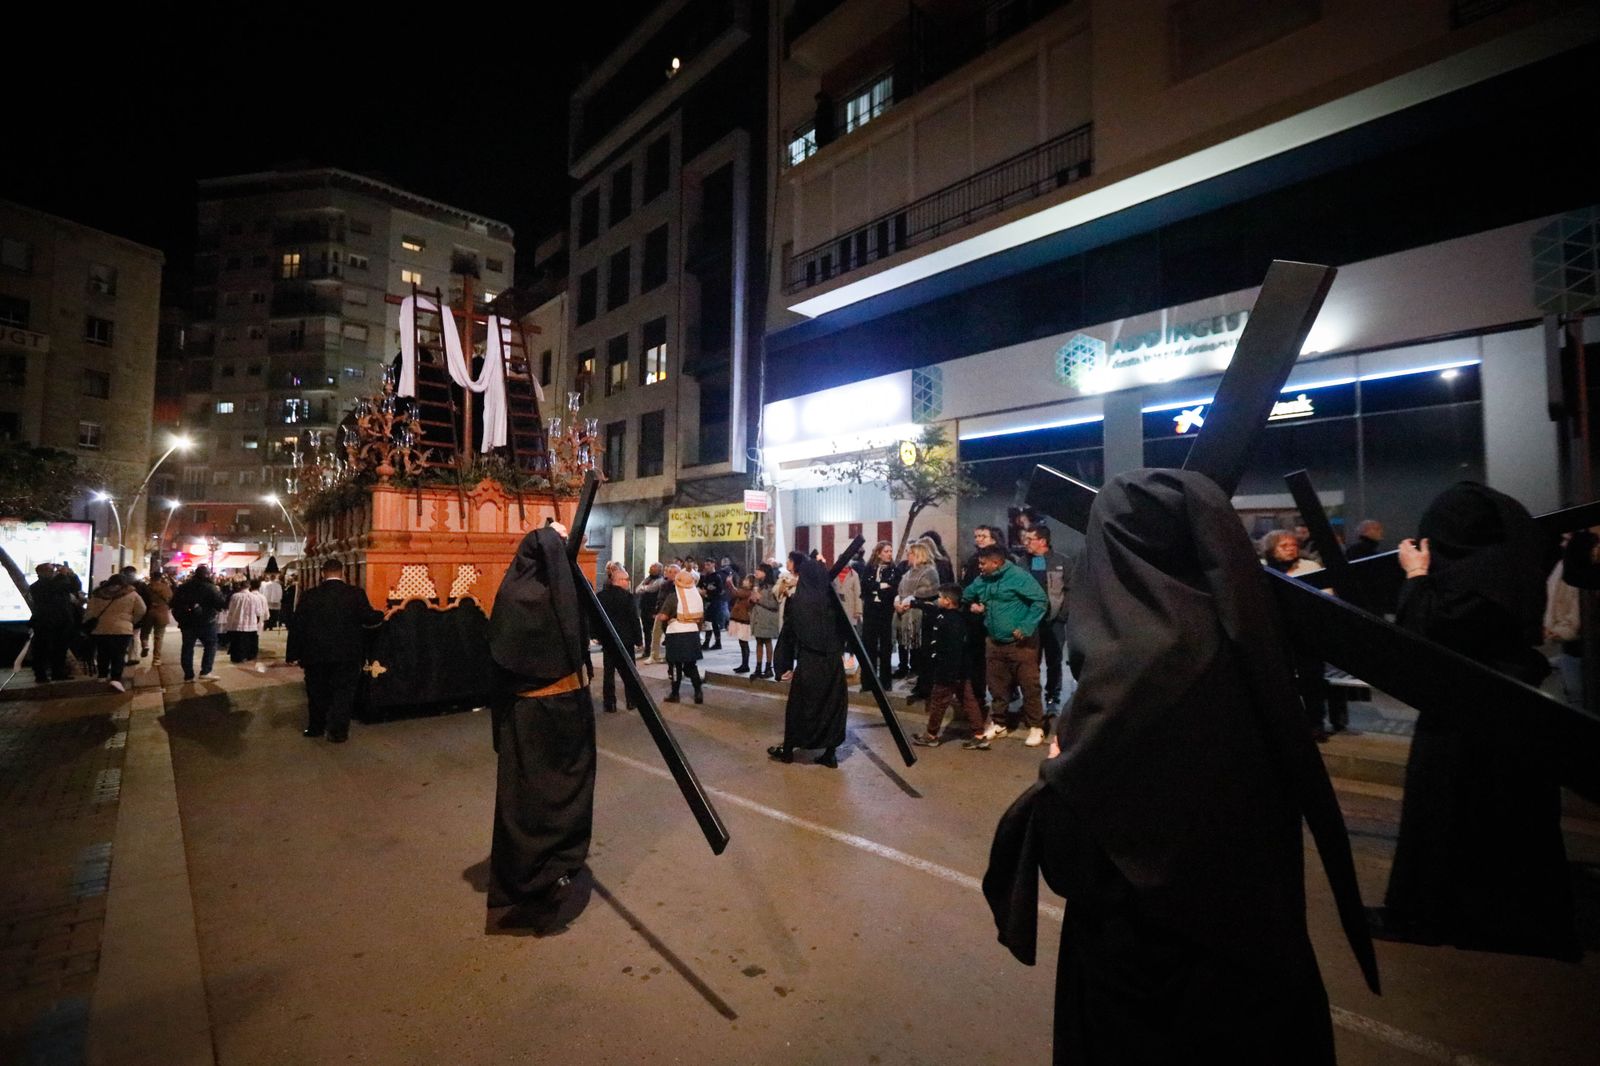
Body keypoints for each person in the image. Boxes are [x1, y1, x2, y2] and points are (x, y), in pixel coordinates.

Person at [983, 469, 1379, 1064]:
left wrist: (1060, 779)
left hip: (1147, 986)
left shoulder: (1129, 673)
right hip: (1256, 967)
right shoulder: (1247, 647)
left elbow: (1080, 862)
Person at [1369, 482, 1579, 961]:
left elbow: (1423, 635)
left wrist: (1416, 575)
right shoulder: (1506, 569)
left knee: (1446, 814)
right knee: (1506, 821)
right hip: (1505, 706)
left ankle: (1431, 913)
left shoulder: (1476, 578)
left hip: (1464, 713)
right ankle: (1498, 919)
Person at [485, 523, 596, 933]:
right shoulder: (565, 593)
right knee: (553, 795)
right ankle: (548, 871)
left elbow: (500, 661)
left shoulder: (513, 594)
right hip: (560, 710)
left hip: (531, 716)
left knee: (536, 797)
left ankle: (545, 872)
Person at [285, 559, 381, 742]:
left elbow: (297, 626)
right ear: (342, 573)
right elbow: (369, 618)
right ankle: (338, 732)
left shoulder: (310, 595)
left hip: (315, 654)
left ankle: (316, 727)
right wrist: (382, 614)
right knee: (343, 693)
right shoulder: (355, 594)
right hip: (347, 654)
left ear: (323, 573)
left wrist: (293, 654)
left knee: (316, 692)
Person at [963, 543, 1047, 746]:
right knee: (997, 685)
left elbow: (1040, 601)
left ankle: (1036, 726)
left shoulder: (1019, 577)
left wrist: (1026, 626)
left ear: (996, 563)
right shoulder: (983, 579)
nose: (980, 567)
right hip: (994, 642)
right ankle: (999, 723)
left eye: (983, 563)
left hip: (1021, 644)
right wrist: (973, 604)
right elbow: (967, 594)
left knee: (1029, 685)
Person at [767, 556, 848, 767]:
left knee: (800, 708)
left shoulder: (799, 603)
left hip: (810, 664)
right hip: (832, 664)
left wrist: (782, 667)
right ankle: (830, 753)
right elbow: (846, 631)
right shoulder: (834, 603)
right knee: (832, 708)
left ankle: (788, 750)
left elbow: (788, 636)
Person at [911, 585, 991, 750]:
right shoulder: (954, 616)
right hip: (959, 670)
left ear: (947, 601)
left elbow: (953, 649)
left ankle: (931, 735)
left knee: (938, 702)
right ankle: (979, 735)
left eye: (940, 597)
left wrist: (947, 671)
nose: (938, 600)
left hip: (949, 670)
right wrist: (914, 604)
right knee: (968, 701)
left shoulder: (951, 622)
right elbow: (931, 609)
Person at [1022, 525, 1074, 717]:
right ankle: (1031, 699)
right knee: (1030, 662)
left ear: (1042, 541)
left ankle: (1053, 697)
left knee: (1054, 660)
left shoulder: (1062, 561)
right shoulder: (1023, 562)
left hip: (1054, 621)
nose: (1025, 543)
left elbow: (1071, 589)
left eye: (1030, 539)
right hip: (1031, 621)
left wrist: (1062, 614)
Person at [85, 573, 145, 693]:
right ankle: (115, 678)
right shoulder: (131, 594)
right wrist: (131, 621)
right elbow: (142, 609)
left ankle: (102, 675)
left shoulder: (98, 594)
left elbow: (90, 612)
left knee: (102, 653)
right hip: (122, 629)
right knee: (119, 654)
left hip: (100, 629)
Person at [596, 563, 642, 713]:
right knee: (629, 672)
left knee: (609, 672)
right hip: (626, 639)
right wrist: (639, 639)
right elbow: (634, 619)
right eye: (626, 579)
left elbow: (596, 618)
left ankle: (610, 703)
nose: (628, 582)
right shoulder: (628, 597)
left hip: (609, 639)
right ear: (620, 580)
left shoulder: (601, 596)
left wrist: (596, 635)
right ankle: (631, 700)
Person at [657, 568, 706, 704]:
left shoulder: (674, 597)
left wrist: (660, 616)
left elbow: (664, 616)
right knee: (691, 665)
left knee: (675, 665)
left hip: (676, 633)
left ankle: (675, 693)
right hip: (692, 633)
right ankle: (698, 692)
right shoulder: (697, 596)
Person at [894, 540, 938, 690]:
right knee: (906, 644)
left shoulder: (930, 572)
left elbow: (928, 591)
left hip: (921, 615)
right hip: (905, 613)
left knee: (919, 648)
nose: (908, 556)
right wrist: (898, 601)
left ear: (919, 555)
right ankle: (909, 672)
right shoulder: (908, 572)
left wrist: (910, 600)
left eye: (910, 553)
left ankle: (920, 677)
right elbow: (901, 589)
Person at [171, 565, 227, 682]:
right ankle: (206, 671)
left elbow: (173, 603)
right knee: (210, 645)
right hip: (206, 621)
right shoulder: (210, 587)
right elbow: (221, 603)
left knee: (187, 647)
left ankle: (188, 675)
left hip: (187, 622)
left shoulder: (184, 587)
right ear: (207, 575)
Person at [856, 541, 898, 693]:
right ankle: (868, 681)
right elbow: (865, 586)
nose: (889, 554)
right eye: (886, 551)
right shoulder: (869, 568)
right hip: (871, 611)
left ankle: (886, 682)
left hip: (885, 610)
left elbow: (893, 587)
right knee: (869, 645)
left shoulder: (893, 570)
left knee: (886, 646)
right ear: (879, 553)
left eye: (890, 551)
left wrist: (877, 587)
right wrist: (881, 586)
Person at [28, 563, 78, 683]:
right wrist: (63, 575)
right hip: (45, 622)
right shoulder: (37, 586)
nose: (53, 572)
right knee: (42, 649)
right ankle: (41, 675)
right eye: (50, 570)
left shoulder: (58, 583)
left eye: (52, 570)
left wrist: (72, 575)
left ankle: (58, 672)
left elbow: (74, 587)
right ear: (40, 573)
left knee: (60, 649)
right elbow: (55, 588)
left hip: (62, 622)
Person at [749, 564, 781, 679]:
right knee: (758, 642)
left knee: (767, 642)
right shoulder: (757, 586)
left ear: (766, 572)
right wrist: (752, 599)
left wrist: (759, 599)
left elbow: (774, 605)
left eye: (759, 570)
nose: (756, 571)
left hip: (767, 619)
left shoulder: (772, 587)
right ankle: (758, 667)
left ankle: (768, 668)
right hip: (757, 618)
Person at [226, 578, 268, 663]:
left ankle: (237, 657)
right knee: (248, 641)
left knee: (238, 641)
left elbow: (231, 609)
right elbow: (259, 612)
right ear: (249, 587)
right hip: (251, 624)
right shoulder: (255, 598)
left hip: (237, 623)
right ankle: (248, 656)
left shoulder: (235, 596)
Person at [140, 571, 174, 664]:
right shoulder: (165, 588)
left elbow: (142, 599)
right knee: (159, 636)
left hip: (149, 612)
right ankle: (156, 658)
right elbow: (170, 599)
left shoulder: (147, 588)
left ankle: (145, 645)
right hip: (162, 612)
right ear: (160, 578)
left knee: (145, 632)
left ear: (151, 578)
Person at [727, 570, 756, 673]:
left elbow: (736, 593)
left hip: (744, 619)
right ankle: (744, 664)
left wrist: (730, 584)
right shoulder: (744, 591)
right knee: (742, 642)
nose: (744, 581)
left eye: (747, 580)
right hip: (740, 618)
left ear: (751, 583)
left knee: (744, 643)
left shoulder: (748, 592)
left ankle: (745, 665)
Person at [636, 563, 666, 661]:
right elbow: (637, 590)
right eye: (650, 568)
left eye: (653, 569)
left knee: (655, 631)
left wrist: (644, 588)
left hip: (653, 609)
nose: (650, 570)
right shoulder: (647, 579)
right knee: (646, 630)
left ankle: (654, 653)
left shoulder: (660, 580)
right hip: (644, 608)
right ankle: (647, 650)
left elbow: (652, 589)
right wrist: (644, 588)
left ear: (659, 570)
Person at [698, 558, 726, 650]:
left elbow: (720, 590)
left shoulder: (717, 577)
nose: (706, 567)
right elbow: (699, 586)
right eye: (705, 565)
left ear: (713, 565)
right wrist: (701, 591)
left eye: (708, 565)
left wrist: (708, 592)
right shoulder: (704, 577)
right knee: (707, 622)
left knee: (715, 622)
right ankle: (706, 642)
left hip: (715, 602)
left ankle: (718, 642)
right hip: (707, 602)